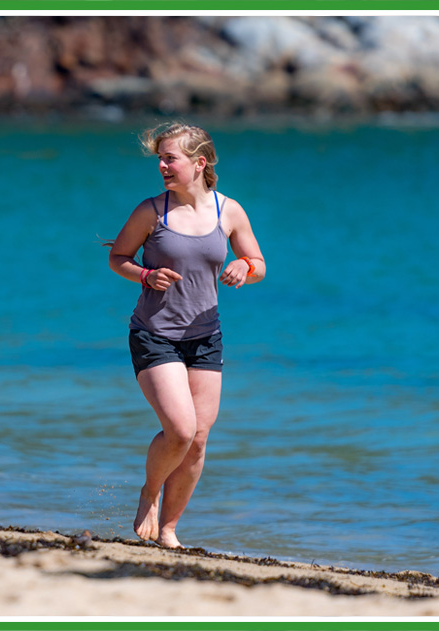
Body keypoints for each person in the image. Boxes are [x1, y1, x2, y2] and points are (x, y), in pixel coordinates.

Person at [107, 122, 265, 549]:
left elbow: (258, 262)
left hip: (205, 336)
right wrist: (144, 273)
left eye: (169, 158)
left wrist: (244, 268)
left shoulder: (228, 211)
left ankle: (170, 531)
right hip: (154, 333)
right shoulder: (151, 211)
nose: (161, 166)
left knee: (197, 440)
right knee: (179, 429)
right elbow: (118, 257)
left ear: (199, 163)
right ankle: (149, 492)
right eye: (159, 158)